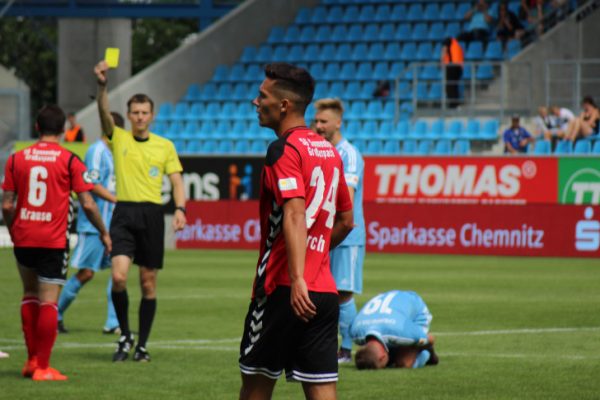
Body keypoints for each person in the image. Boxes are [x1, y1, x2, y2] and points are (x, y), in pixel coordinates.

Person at [238, 63, 354, 400]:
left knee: (255, 388)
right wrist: (314, 257)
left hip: (282, 289)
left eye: (262, 96)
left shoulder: (283, 149)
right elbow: (347, 220)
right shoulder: (330, 152)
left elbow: (294, 212)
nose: (256, 102)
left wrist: (297, 275)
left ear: (284, 105)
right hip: (324, 292)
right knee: (321, 391)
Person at [1, 105, 111, 381]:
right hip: (52, 240)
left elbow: (6, 204)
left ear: (37, 128)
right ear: (64, 131)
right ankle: (43, 367)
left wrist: (14, 230)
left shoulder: (16, 158)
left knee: (28, 295)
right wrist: (104, 232)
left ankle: (30, 360)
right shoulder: (70, 160)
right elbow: (87, 202)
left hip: (24, 237)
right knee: (49, 301)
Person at [94, 60, 187, 362]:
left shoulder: (165, 146)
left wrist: (181, 208)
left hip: (151, 216)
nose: (139, 117)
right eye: (134, 113)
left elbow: (176, 180)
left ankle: (142, 344)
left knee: (148, 282)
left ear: (152, 115)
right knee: (119, 278)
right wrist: (102, 86)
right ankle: (124, 335)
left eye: (144, 112)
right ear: (130, 116)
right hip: (124, 213)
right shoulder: (117, 137)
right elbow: (104, 114)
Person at [57, 112, 126, 335]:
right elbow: (92, 184)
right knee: (86, 273)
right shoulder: (96, 151)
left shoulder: (118, 152)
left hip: (115, 223)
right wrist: (117, 199)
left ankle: (113, 322)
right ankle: (55, 314)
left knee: (118, 272)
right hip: (95, 225)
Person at [313, 98, 365, 364]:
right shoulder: (321, 153)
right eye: (316, 121)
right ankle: (329, 345)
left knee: (343, 292)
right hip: (324, 235)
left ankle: (347, 349)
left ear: (338, 122)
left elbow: (346, 196)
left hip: (347, 236)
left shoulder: (349, 154)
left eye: (324, 121)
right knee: (324, 292)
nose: (319, 126)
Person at [350, 290, 438, 370]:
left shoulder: (402, 334)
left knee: (404, 363)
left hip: (414, 305)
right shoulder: (355, 333)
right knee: (393, 353)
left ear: (382, 357)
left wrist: (421, 342)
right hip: (390, 304)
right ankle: (394, 351)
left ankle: (427, 353)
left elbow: (430, 338)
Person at [441, 37, 464, 109]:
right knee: (454, 86)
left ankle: (453, 104)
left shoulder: (449, 42)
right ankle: (455, 104)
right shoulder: (457, 45)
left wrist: (441, 61)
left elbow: (444, 52)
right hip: (458, 68)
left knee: (450, 86)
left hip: (452, 67)